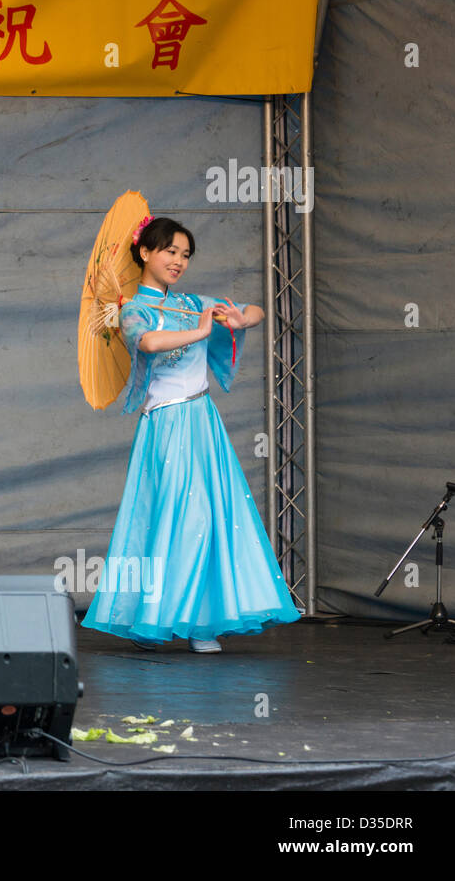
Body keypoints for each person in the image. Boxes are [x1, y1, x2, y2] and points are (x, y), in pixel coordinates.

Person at [81, 216, 301, 653]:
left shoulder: (190, 302)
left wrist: (240, 319)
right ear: (145, 252)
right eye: (170, 252)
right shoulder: (133, 310)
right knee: (171, 519)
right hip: (165, 426)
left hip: (203, 423)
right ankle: (155, 616)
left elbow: (253, 311)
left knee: (212, 518)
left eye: (185, 255)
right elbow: (146, 344)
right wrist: (201, 330)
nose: (178, 261)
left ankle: (201, 622)